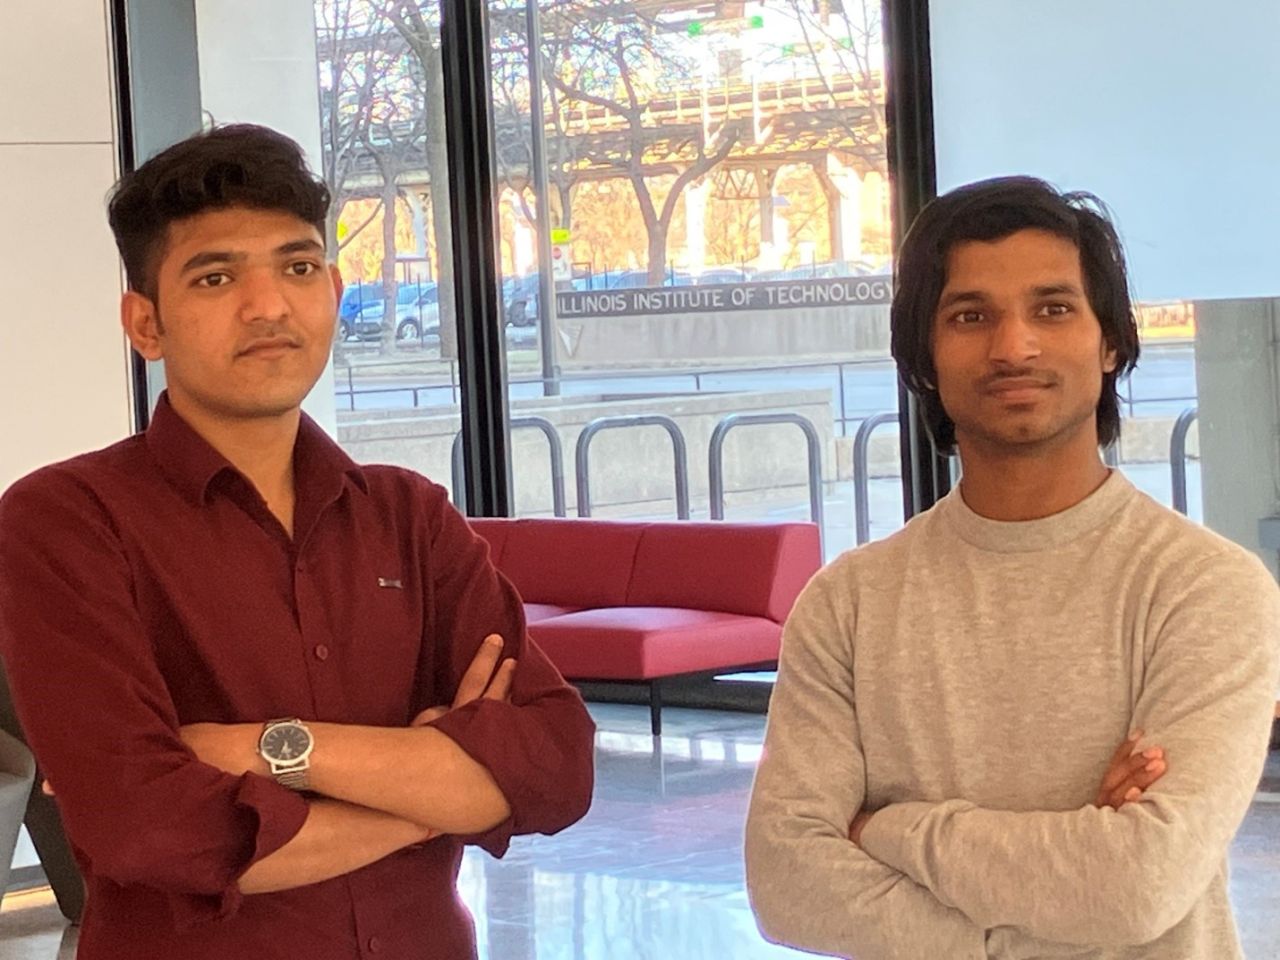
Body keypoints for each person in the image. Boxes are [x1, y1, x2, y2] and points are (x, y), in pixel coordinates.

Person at [0, 124, 595, 960]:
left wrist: (267, 750)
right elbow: (150, 830)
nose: (269, 306)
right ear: (145, 324)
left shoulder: (411, 517)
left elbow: (558, 766)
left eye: (299, 267)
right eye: (215, 277)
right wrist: (435, 791)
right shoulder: (67, 521)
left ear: (335, 290)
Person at [744, 176, 1280, 959]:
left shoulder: (1206, 589)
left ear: (1110, 342)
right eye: (971, 316)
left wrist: (889, 830)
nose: (1013, 347)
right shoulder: (847, 604)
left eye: (1053, 309)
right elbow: (788, 883)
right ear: (925, 356)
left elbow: (1137, 885)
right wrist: (1067, 888)